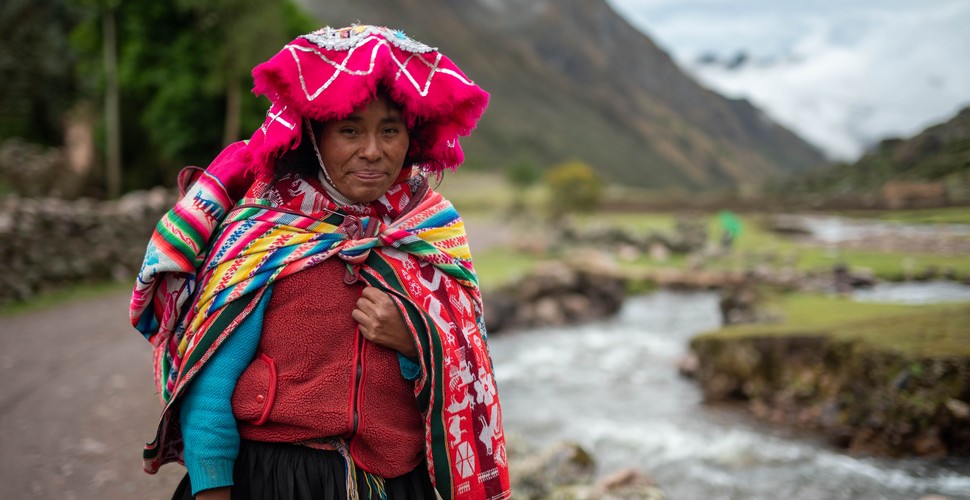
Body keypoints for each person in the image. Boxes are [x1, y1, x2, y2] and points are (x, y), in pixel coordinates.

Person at [130, 25, 510, 500]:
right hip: (275, 477)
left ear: (410, 139)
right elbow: (211, 380)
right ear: (316, 137)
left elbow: (468, 360)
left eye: (389, 130)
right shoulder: (266, 233)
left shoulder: (429, 230)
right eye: (350, 130)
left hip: (395, 482)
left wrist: (415, 339)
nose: (373, 151)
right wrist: (211, 486)